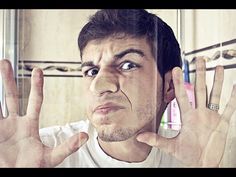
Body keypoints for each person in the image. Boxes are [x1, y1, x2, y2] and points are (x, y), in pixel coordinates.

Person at [0, 9, 235, 167]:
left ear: (169, 87)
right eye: (91, 71)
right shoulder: (43, 153)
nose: (99, 85)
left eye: (127, 65)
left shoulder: (189, 156)